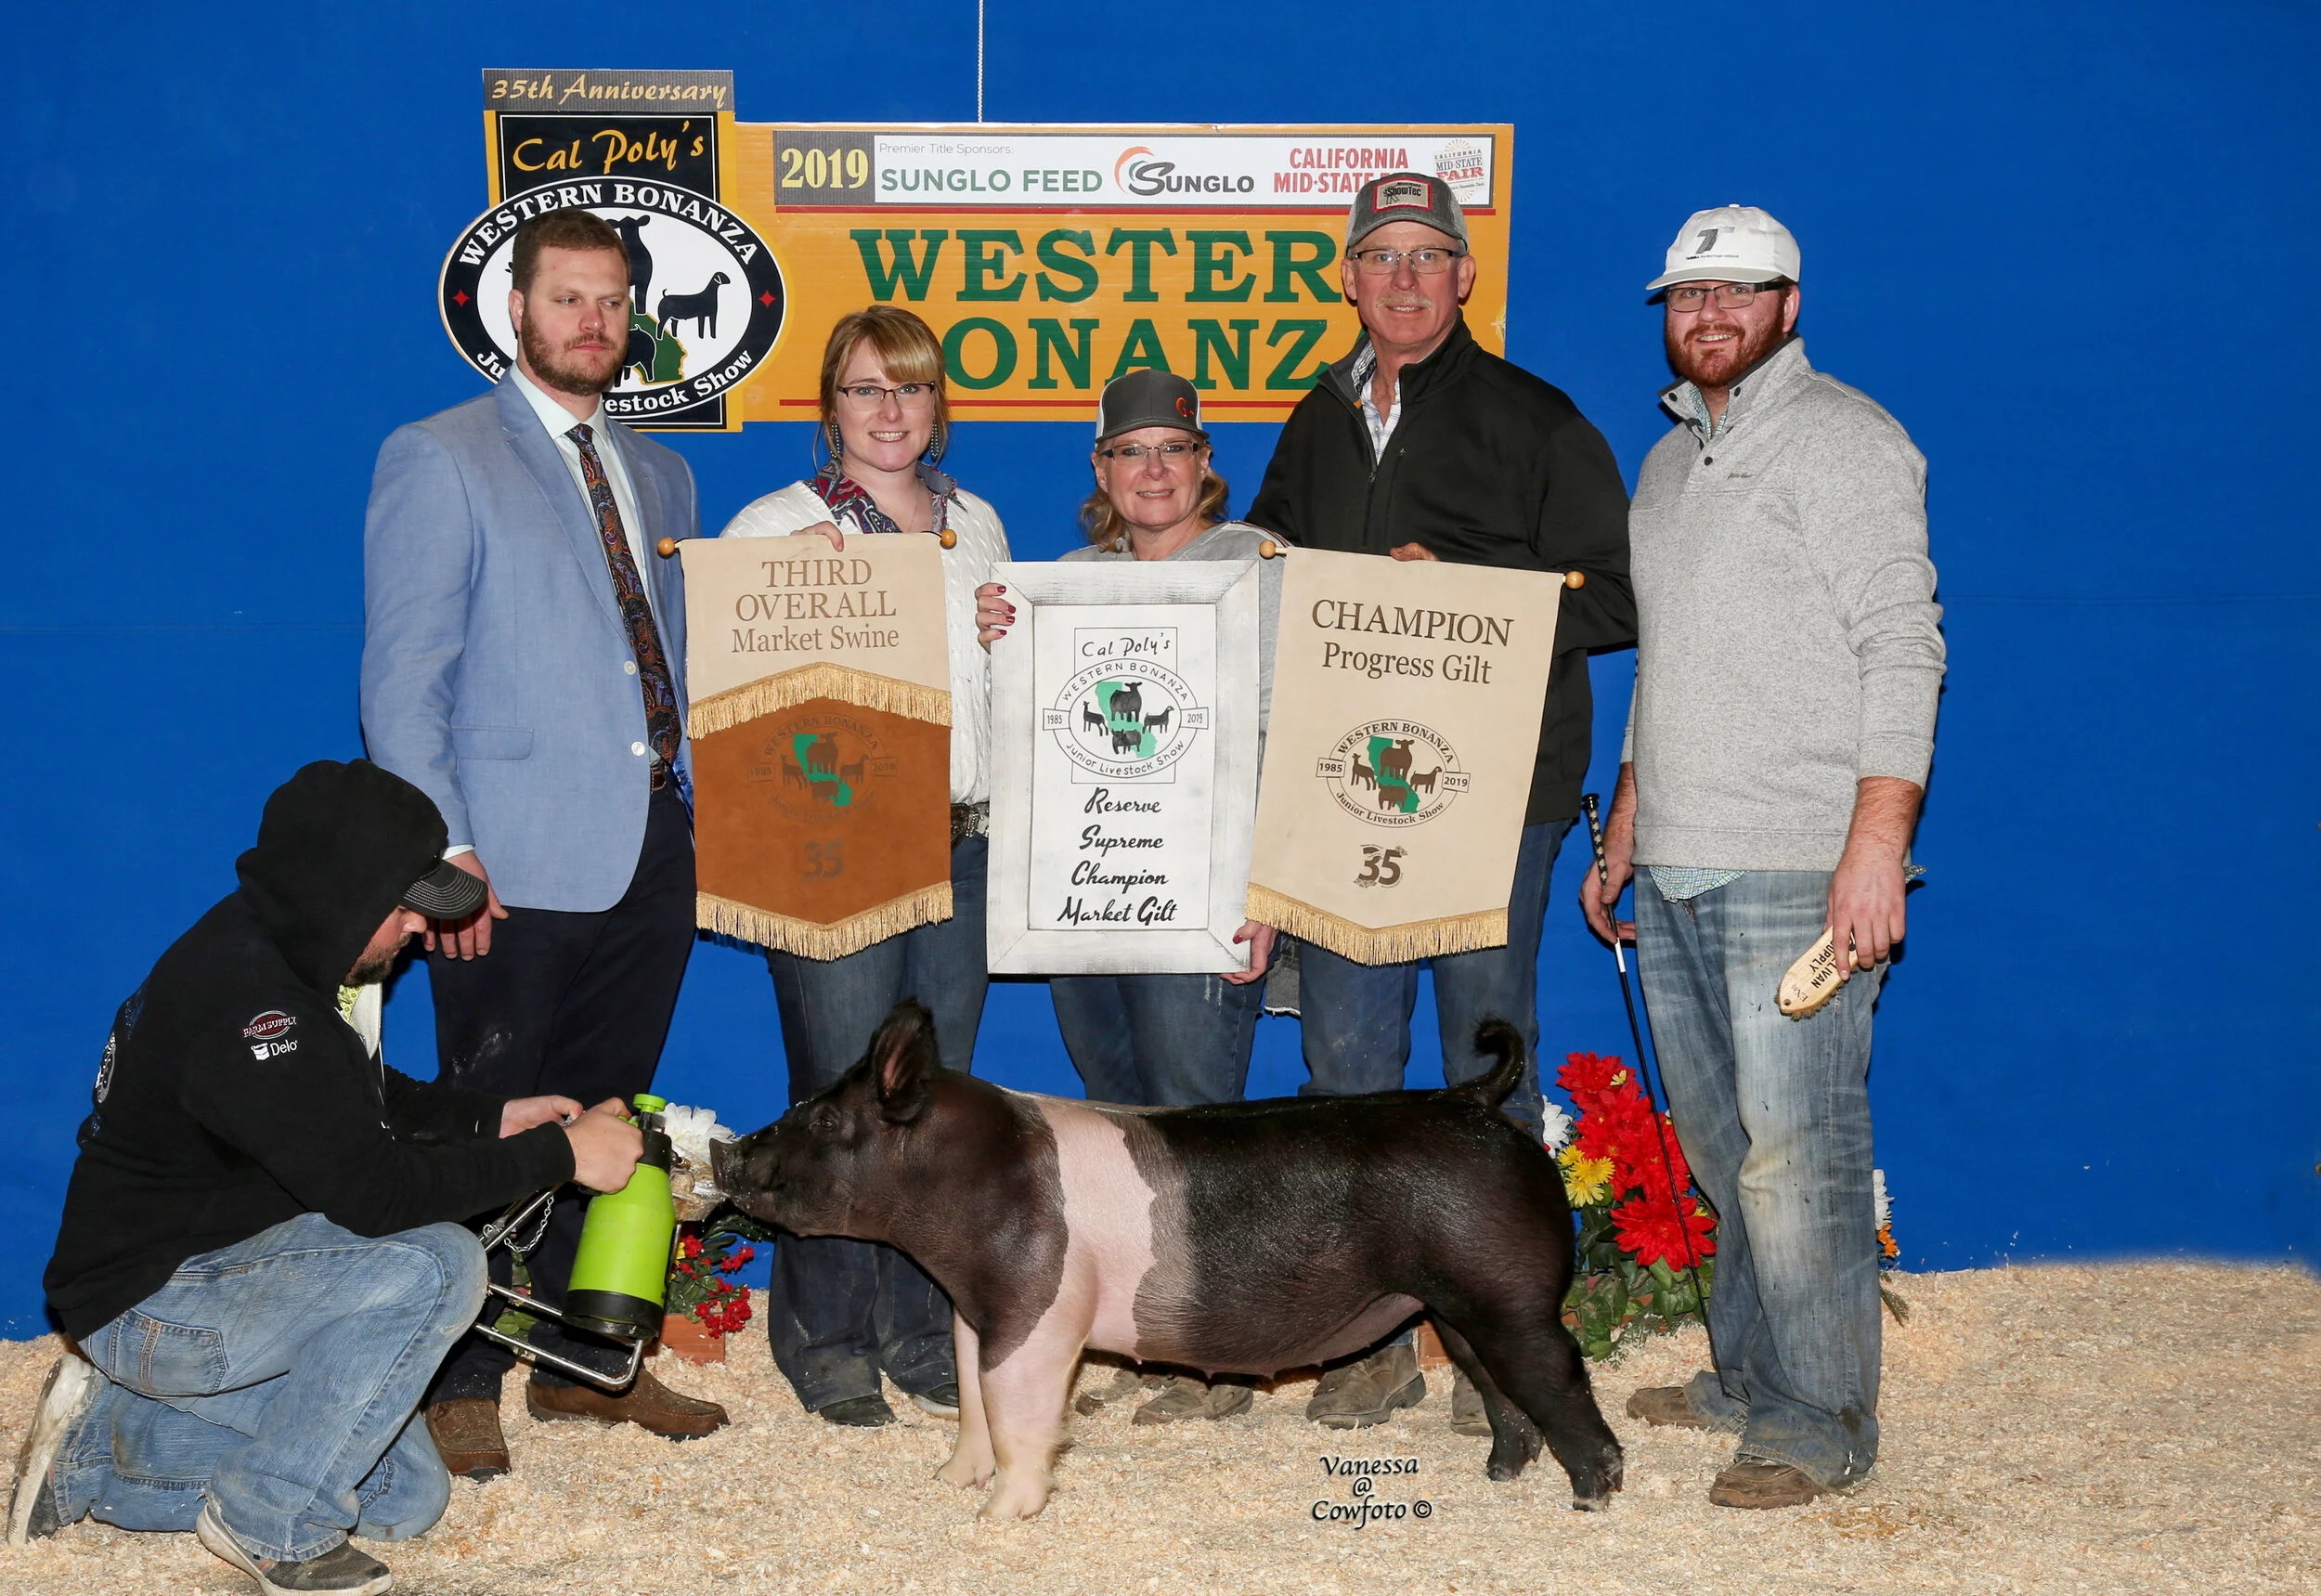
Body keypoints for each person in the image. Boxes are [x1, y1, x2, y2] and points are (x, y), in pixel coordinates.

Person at [11, 759, 648, 1596]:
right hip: (157, 1302)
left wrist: (491, 1117)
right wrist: (563, 1156)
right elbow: (375, 1197)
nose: (420, 927)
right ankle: (268, 1524)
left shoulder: (272, 949)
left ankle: (96, 1451)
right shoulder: (253, 1009)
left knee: (407, 1496)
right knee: (438, 1262)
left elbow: (346, 1096)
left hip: (228, 1269)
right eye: (404, 906)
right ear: (342, 893)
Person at [1244, 172, 1637, 1429]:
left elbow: (1616, 600)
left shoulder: (1539, 419)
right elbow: (1259, 567)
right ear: (1349, 279)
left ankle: (1501, 1338)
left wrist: (1465, 586)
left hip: (1496, 790)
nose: (1404, 278)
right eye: (1381, 257)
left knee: (1485, 1062)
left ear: (1466, 277)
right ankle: (1358, 1339)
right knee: (1346, 1067)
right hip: (1351, 792)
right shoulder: (1315, 420)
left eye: (1428, 256)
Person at [1583, 205, 1945, 1509]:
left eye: (1740, 290)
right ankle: (1750, 1371)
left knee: (1802, 1155)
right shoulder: (1669, 464)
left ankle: (1818, 1419)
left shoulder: (1848, 440)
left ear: (1789, 304)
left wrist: (1875, 848)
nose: (1712, 313)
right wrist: (1628, 812)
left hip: (1800, 861)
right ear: (1667, 315)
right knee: (1727, 1140)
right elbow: (1666, 661)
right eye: (1690, 295)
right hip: (1678, 855)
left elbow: (1906, 647)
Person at [362, 205, 724, 1479]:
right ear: (514, 311)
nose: (594, 323)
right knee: (491, 1115)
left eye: (614, 301)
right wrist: (444, 852)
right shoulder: (440, 453)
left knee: (611, 1109)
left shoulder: (663, 472)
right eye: (569, 298)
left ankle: (586, 1359)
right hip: (502, 863)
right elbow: (405, 678)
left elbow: (677, 657)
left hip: (648, 847)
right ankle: (456, 1374)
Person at [719, 305, 1011, 1427]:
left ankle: (910, 1328)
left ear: (939, 405)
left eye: (910, 388)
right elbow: (730, 691)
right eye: (864, 389)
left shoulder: (972, 521)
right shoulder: (775, 525)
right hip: (833, 842)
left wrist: (1003, 631)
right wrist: (771, 594)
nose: (889, 411)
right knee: (840, 1096)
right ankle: (826, 1336)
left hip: (964, 838)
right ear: (827, 408)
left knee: (926, 1109)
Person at [983, 370, 1280, 1426]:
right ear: (1101, 473)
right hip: (1087, 886)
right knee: (1122, 1125)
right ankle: (1155, 1334)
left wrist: (1271, 884)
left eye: (1172, 450)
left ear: (1204, 465)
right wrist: (998, 639)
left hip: (1203, 886)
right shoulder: (1067, 577)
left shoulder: (1256, 565)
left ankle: (1229, 1356)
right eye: (1129, 453)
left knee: (1197, 1124)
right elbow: (1022, 729)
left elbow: (1293, 730)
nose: (1151, 470)